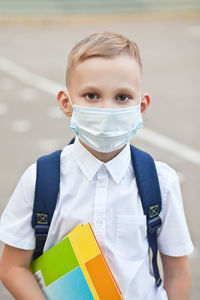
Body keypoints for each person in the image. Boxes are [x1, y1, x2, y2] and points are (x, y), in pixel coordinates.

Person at [0, 31, 194, 300]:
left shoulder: (159, 181)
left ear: (142, 105)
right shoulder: (40, 180)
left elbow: (178, 272)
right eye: (92, 96)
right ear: (66, 103)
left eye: (122, 97)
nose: (107, 110)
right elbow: (12, 266)